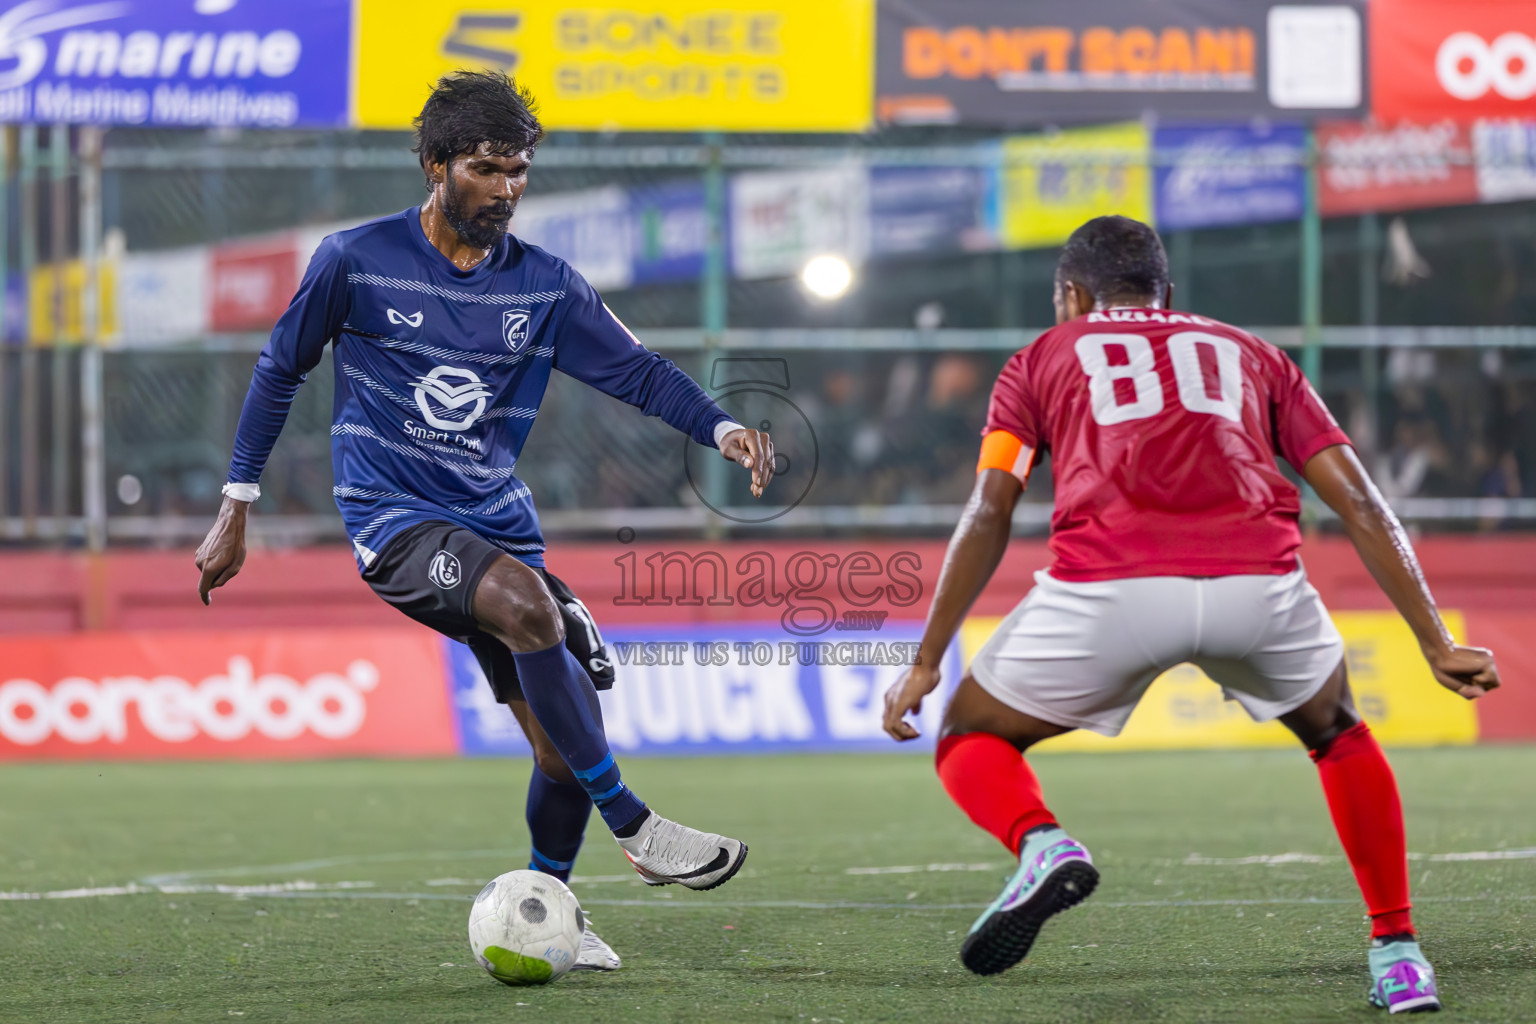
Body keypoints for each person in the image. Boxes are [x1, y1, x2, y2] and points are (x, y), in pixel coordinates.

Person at [194, 71, 774, 973]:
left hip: (496, 522)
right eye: (485, 168)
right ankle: (638, 828)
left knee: (561, 733)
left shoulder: (544, 286)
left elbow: (641, 373)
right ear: (435, 165)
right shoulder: (355, 260)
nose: (506, 187)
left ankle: (555, 908)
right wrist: (236, 505)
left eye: (519, 169)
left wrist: (723, 426)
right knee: (530, 608)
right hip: (394, 521)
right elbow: (279, 370)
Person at [881, 215, 1499, 1014]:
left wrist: (928, 659)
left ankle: (1042, 842)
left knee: (970, 737)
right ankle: (1400, 954)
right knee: (1339, 736)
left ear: (1070, 296)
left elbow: (989, 508)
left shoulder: (1039, 358)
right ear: (1166, 292)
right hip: (1259, 589)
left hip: (1111, 590)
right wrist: (1436, 639)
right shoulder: (1255, 353)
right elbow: (1358, 498)